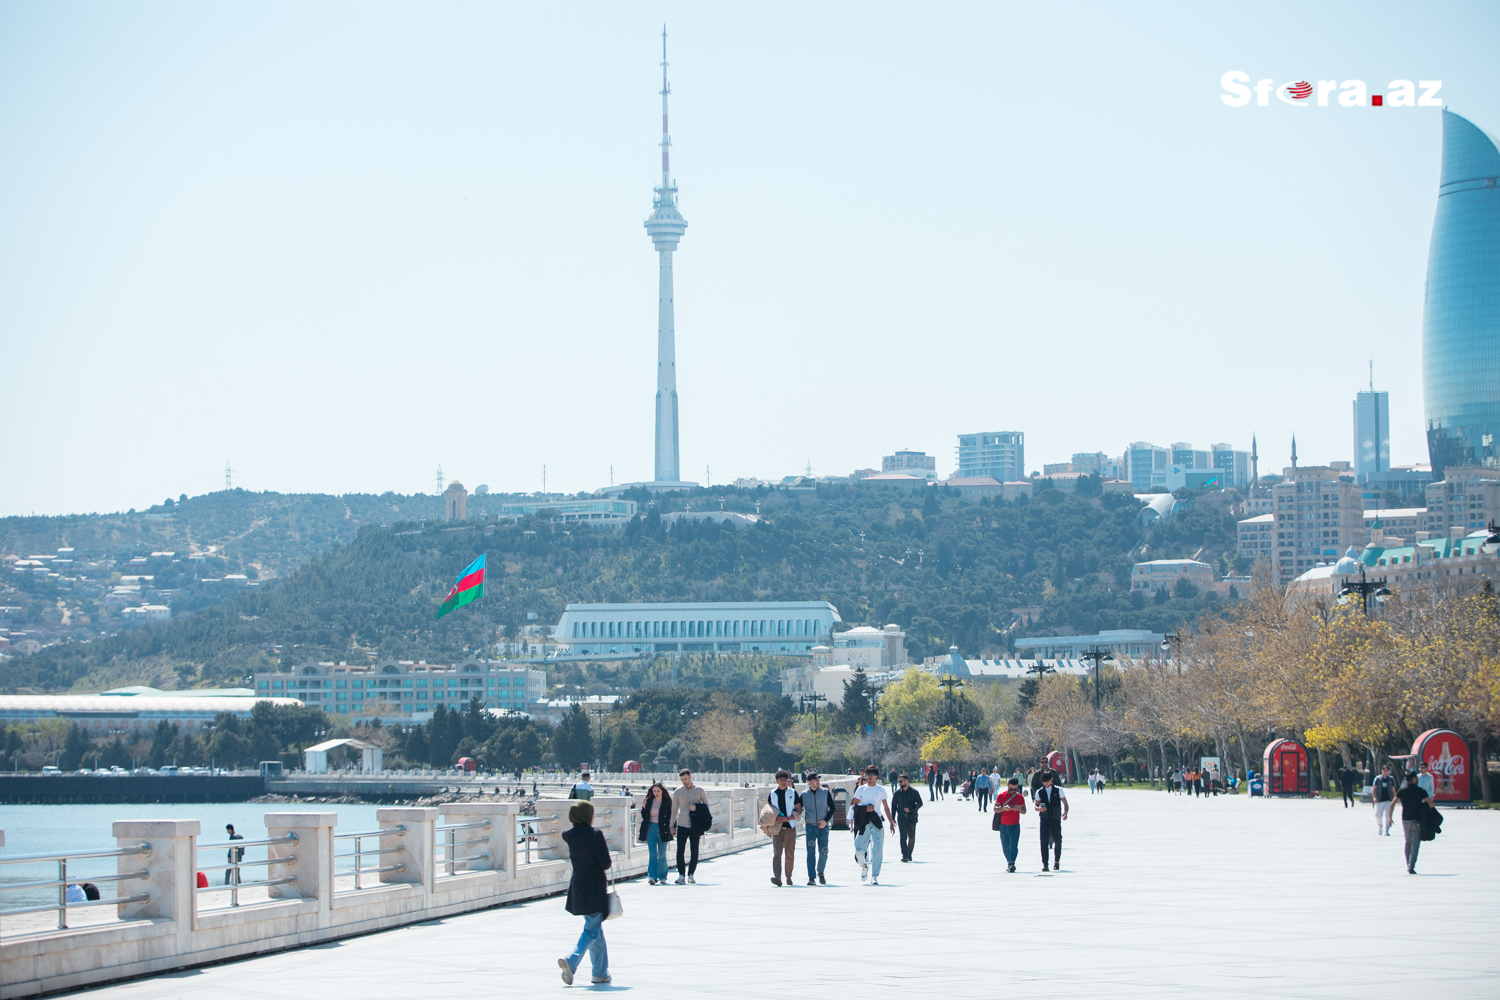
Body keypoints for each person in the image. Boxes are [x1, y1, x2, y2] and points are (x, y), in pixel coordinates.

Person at [558, 801, 611, 986]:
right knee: (592, 929)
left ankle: (600, 972)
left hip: (578, 886)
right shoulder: (595, 834)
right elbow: (605, 863)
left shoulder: (569, 835)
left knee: (595, 927)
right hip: (595, 887)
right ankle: (571, 961)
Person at [850, 765, 896, 885]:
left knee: (878, 850)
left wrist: (891, 822)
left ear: (876, 776)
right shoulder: (861, 789)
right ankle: (864, 865)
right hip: (865, 822)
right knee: (858, 848)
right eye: (867, 774)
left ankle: (875, 876)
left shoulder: (880, 790)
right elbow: (854, 806)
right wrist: (865, 809)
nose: (869, 777)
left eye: (872, 775)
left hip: (877, 821)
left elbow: (885, 807)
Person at [672, 768, 709, 883]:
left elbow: (707, 807)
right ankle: (681, 874)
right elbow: (674, 810)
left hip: (695, 825)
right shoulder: (677, 792)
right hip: (682, 824)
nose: (684, 781)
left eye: (686, 779)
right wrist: (671, 826)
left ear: (690, 777)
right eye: (682, 779)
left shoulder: (700, 791)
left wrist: (697, 807)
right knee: (680, 851)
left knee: (694, 851)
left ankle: (691, 874)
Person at [1394, 771, 1434, 874]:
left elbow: (1393, 803)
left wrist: (1389, 817)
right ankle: (1411, 867)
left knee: (1408, 842)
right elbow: (1431, 804)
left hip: (1405, 820)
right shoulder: (1421, 791)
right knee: (1415, 844)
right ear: (1414, 779)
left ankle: (1408, 863)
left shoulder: (1402, 791)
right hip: (1417, 820)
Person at [767, 769, 801, 886]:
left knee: (790, 854)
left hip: (790, 827)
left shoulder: (792, 793)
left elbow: (799, 808)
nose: (783, 782)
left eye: (785, 780)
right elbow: (769, 809)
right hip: (777, 828)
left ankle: (788, 876)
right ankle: (777, 877)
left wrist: (789, 818)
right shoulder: (772, 794)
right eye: (781, 780)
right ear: (777, 781)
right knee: (777, 854)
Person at [637, 781, 673, 885]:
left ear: (662, 791)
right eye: (654, 791)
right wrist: (643, 807)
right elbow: (644, 817)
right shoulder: (649, 801)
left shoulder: (667, 802)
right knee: (652, 854)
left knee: (662, 855)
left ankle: (662, 877)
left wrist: (673, 828)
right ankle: (652, 876)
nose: (656, 793)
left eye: (658, 791)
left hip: (663, 829)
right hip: (651, 829)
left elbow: (671, 816)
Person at [801, 771, 834, 885]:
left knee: (824, 850)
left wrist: (825, 820)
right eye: (815, 780)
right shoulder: (804, 795)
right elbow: (798, 808)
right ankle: (811, 877)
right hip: (810, 826)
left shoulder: (825, 792)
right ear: (809, 782)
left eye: (818, 780)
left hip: (823, 827)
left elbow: (832, 808)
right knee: (810, 852)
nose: (818, 782)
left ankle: (821, 872)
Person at [1033, 770, 1068, 872]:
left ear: (1051, 780)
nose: (1046, 783)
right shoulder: (1039, 792)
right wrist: (1039, 808)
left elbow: (1065, 803)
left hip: (1055, 819)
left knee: (1058, 840)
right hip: (1044, 819)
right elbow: (1035, 806)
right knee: (1043, 842)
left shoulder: (1059, 790)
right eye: (1044, 782)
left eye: (1047, 781)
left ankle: (1057, 861)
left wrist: (1065, 813)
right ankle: (1045, 864)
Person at [993, 776, 1027, 872]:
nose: (1013, 791)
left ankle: (1011, 862)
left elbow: (1024, 810)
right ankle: (1009, 861)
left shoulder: (1020, 797)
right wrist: (1003, 808)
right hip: (1003, 825)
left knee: (1014, 845)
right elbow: (995, 809)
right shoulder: (1001, 796)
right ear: (1007, 785)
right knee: (1005, 845)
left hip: (1015, 825)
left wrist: (1019, 809)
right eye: (1011, 789)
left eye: (1015, 789)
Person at [892, 773, 922, 862]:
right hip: (901, 817)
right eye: (899, 782)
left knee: (911, 837)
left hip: (912, 817)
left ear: (906, 781)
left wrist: (912, 809)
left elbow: (920, 803)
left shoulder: (914, 792)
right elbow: (893, 805)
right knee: (903, 837)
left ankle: (909, 853)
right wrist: (892, 818)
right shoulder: (897, 793)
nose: (900, 783)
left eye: (901, 781)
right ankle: (905, 855)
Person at [1372, 764, 1397, 836]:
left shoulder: (1391, 779)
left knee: (1387, 815)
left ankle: (1387, 830)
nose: (1385, 772)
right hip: (1379, 800)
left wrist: (1394, 798)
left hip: (1388, 800)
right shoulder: (1378, 779)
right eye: (1384, 770)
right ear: (1382, 771)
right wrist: (1374, 797)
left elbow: (1393, 790)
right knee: (1378, 815)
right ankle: (1380, 825)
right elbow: (1374, 788)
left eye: (1387, 771)